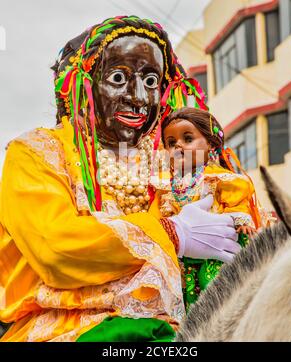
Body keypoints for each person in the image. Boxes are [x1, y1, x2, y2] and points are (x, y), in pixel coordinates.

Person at [0, 16, 239, 342]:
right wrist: (172, 234)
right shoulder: (36, 153)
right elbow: (56, 249)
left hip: (177, 331)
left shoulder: (168, 162)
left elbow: (227, 207)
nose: (139, 97)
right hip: (66, 330)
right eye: (117, 78)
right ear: (79, 85)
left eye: (152, 81)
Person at [160, 107, 268, 310]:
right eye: (171, 143)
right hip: (181, 263)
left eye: (188, 139)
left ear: (210, 143)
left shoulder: (221, 179)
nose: (179, 146)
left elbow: (237, 205)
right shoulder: (166, 187)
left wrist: (242, 221)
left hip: (215, 257)